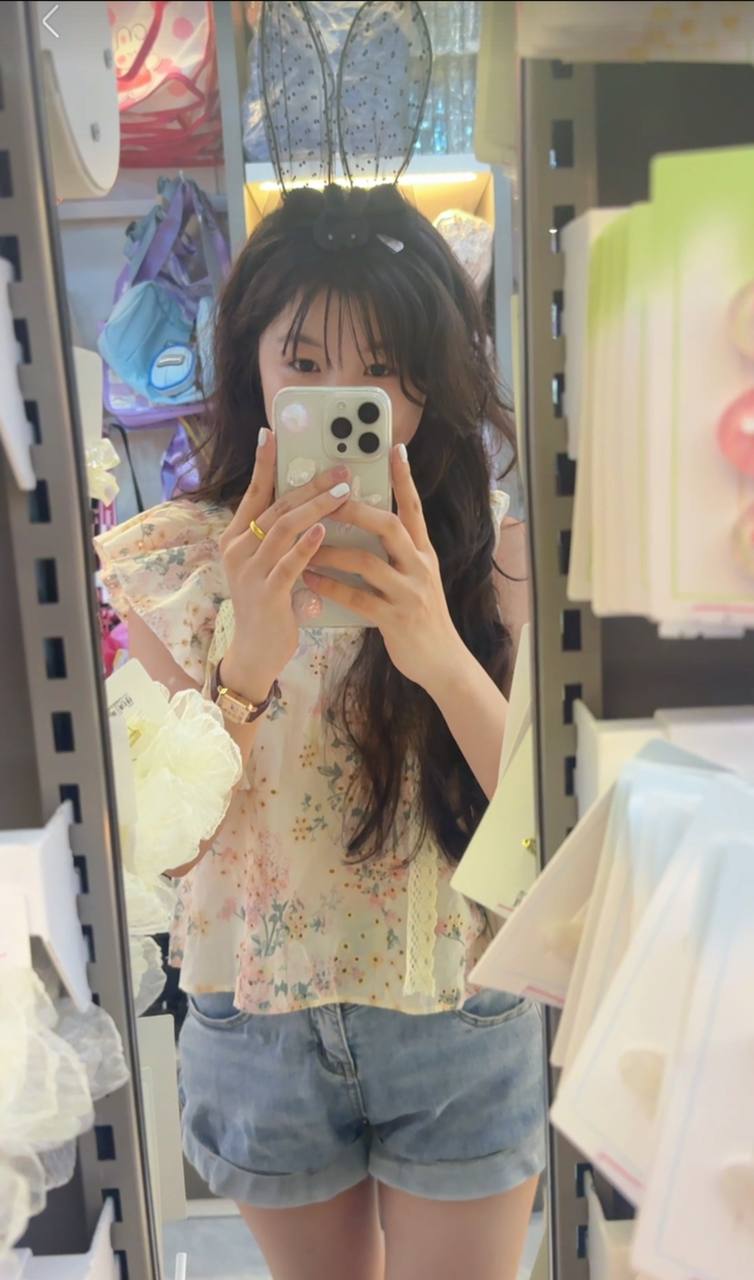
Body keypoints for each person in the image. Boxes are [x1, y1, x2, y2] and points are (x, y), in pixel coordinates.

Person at [96, 183, 545, 1280]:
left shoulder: (499, 558)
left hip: (454, 1000)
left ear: (430, 380)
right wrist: (246, 661)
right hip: (257, 1020)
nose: (343, 394)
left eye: (381, 366)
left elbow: (546, 833)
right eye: (303, 361)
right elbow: (167, 857)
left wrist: (437, 649)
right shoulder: (177, 567)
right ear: (250, 363)